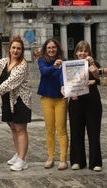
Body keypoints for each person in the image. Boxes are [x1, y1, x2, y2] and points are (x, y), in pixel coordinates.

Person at [0, 35, 32, 171]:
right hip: (7, 100)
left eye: (18, 48)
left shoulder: (22, 64)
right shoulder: (5, 61)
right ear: (9, 49)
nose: (15, 51)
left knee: (21, 129)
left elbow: (10, 82)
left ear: (21, 50)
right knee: (13, 129)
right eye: (13, 48)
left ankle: (23, 159)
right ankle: (18, 154)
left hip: (20, 100)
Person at [67, 40, 102, 172]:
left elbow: (98, 78)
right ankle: (77, 161)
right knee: (76, 131)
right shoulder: (70, 66)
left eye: (85, 50)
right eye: (80, 50)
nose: (82, 53)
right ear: (76, 53)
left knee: (93, 132)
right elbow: (67, 83)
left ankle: (95, 162)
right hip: (76, 101)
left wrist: (93, 67)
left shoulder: (94, 63)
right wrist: (69, 91)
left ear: (89, 52)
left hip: (92, 101)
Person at [37, 38, 68, 170]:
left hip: (61, 99)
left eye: (53, 47)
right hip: (47, 98)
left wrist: (64, 86)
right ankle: (51, 157)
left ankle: (63, 158)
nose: (51, 50)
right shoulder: (42, 60)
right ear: (45, 49)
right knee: (49, 129)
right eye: (49, 48)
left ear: (58, 48)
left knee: (61, 129)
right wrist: (54, 66)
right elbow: (44, 71)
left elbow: (65, 76)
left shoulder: (64, 61)